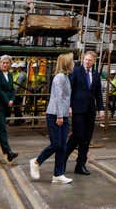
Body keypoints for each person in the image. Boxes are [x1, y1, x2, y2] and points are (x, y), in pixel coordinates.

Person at [30, 53, 73, 184]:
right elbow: (58, 97)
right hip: (55, 115)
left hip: (62, 114)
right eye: (72, 62)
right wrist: (60, 115)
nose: (73, 64)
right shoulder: (60, 77)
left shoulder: (65, 77)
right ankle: (37, 161)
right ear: (66, 63)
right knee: (56, 144)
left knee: (62, 147)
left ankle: (58, 175)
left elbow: (65, 97)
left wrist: (68, 108)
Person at [65, 51, 105, 175]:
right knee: (77, 135)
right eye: (86, 59)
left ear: (94, 61)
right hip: (77, 109)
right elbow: (69, 90)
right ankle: (62, 158)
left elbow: (98, 94)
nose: (88, 62)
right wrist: (69, 106)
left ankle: (81, 164)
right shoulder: (76, 71)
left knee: (87, 138)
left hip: (90, 111)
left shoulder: (96, 74)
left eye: (90, 60)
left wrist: (101, 109)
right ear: (83, 59)